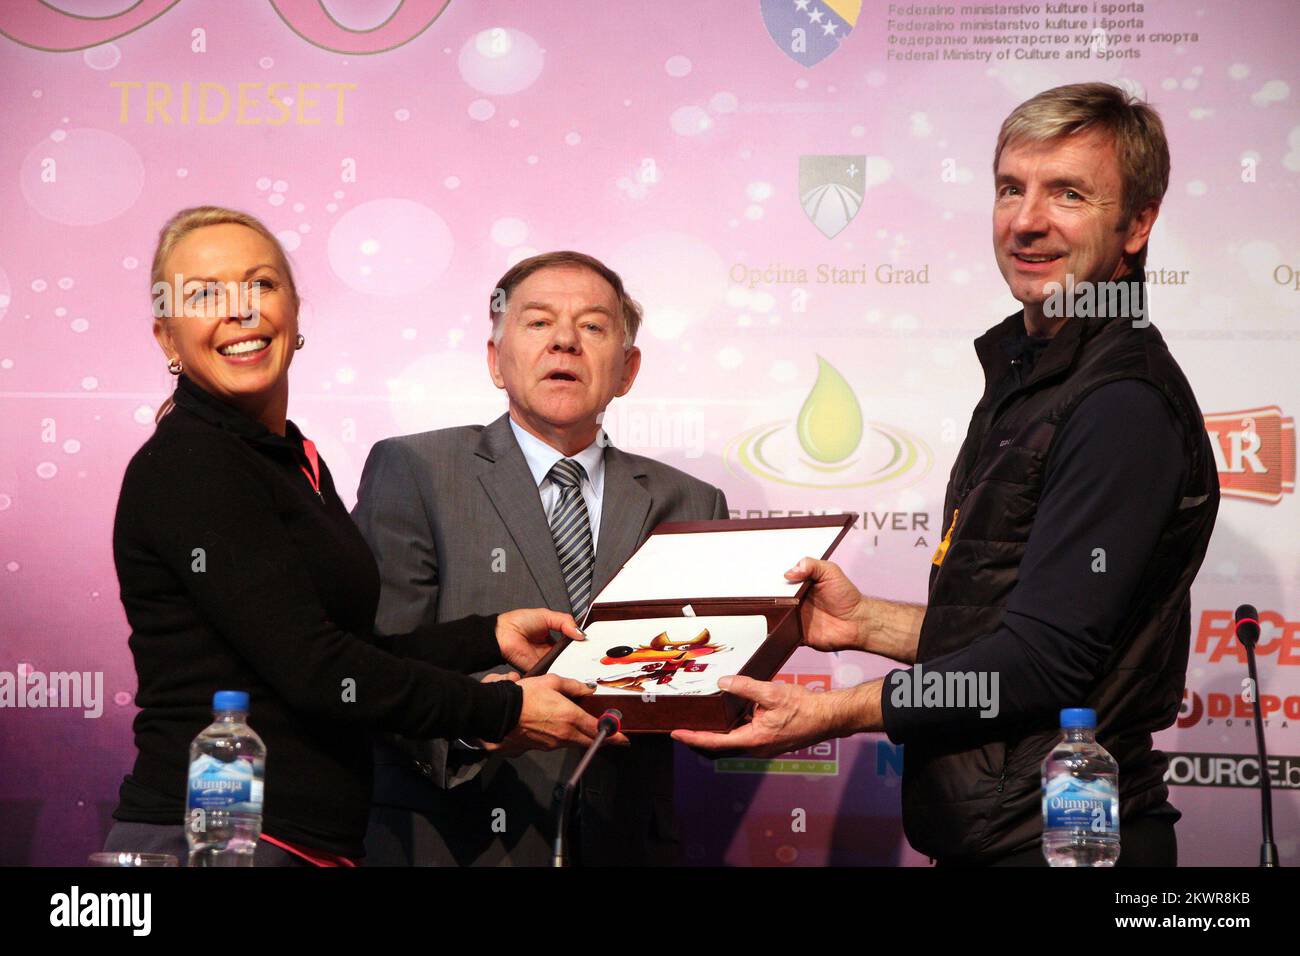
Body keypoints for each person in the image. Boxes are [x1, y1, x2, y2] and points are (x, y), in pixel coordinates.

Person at [674, 83, 1220, 867]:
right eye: (1010, 188)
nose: (1026, 220)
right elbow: (1010, 627)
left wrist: (835, 713)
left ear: (1137, 224)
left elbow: (1038, 666)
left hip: (1066, 843)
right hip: (1001, 836)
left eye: (1067, 192)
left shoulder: (1119, 402)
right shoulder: (1034, 377)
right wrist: (866, 624)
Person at [105, 207, 612, 867]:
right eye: (204, 295)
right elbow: (318, 670)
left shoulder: (286, 458)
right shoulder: (194, 463)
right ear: (166, 337)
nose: (240, 311)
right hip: (219, 841)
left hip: (295, 842)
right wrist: (501, 709)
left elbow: (349, 650)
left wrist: (485, 638)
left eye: (260, 284)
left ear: (295, 312)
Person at [354, 250, 728, 866]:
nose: (564, 342)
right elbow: (378, 661)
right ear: (495, 360)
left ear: (627, 369)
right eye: (537, 322)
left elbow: (708, 681)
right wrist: (483, 721)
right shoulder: (416, 471)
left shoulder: (689, 501)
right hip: (455, 840)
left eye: (592, 326)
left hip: (625, 844)